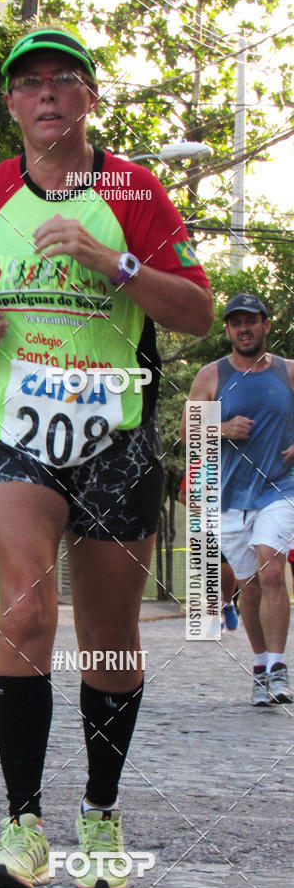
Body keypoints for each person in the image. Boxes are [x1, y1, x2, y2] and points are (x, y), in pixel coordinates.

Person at [0, 27, 213, 888]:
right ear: (11, 103)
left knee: (112, 640)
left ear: (90, 98)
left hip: (116, 435)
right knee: (25, 608)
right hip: (12, 425)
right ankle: (22, 824)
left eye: (64, 80)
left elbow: (197, 312)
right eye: (29, 83)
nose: (46, 93)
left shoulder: (134, 190)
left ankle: (101, 808)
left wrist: (114, 262)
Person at [180, 293, 294, 705]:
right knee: (248, 584)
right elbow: (186, 434)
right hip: (230, 497)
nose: (244, 328)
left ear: (266, 325)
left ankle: (278, 669)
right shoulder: (211, 376)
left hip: (281, 490)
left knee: (270, 568)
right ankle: (261, 666)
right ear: (227, 330)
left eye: (252, 321)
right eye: (236, 323)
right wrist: (223, 428)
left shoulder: (288, 372)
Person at [178, 467, 239, 631]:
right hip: (200, 529)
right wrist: (198, 507)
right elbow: (182, 495)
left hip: (226, 526)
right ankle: (216, 617)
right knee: (209, 574)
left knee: (226, 569)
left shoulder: (233, 461)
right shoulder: (196, 467)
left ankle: (227, 603)